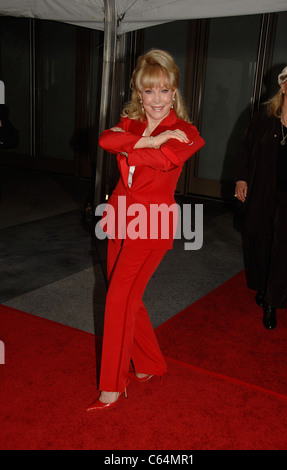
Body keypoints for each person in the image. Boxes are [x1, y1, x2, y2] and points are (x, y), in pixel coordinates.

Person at [87, 49, 205, 411]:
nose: (157, 100)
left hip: (152, 225)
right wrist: (148, 141)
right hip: (120, 217)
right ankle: (152, 364)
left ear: (174, 93)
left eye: (164, 91)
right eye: (149, 91)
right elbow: (106, 140)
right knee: (128, 298)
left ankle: (112, 384)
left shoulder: (187, 132)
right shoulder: (131, 123)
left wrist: (135, 148)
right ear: (139, 93)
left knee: (118, 299)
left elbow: (165, 158)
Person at [235, 61, 287, 330]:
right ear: (283, 86)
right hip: (263, 191)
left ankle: (272, 301)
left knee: (285, 248)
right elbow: (246, 149)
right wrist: (241, 178)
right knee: (259, 242)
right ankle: (262, 285)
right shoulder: (264, 116)